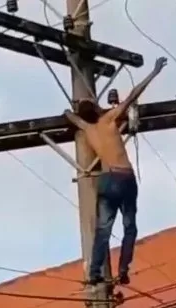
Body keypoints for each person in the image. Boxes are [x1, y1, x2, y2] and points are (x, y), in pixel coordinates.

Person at [63, 57, 168, 286]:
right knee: (129, 226)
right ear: (98, 109)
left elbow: (70, 116)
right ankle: (123, 269)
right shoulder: (109, 120)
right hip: (124, 177)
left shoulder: (86, 128)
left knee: (103, 229)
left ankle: (94, 273)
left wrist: (72, 111)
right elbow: (132, 96)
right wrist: (154, 72)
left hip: (107, 179)